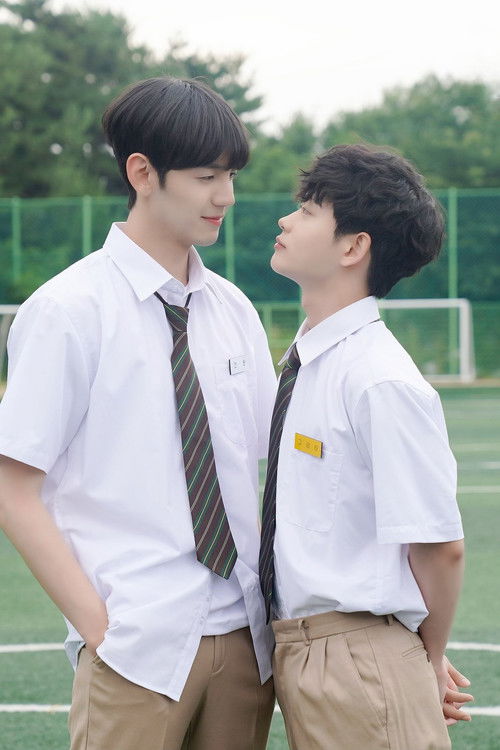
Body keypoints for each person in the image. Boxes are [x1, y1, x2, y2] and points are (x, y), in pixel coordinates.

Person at [0, 77, 277, 750]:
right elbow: (12, 486)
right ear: (142, 173)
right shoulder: (67, 311)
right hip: (137, 645)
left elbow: (271, 469)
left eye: (231, 176)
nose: (226, 196)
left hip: (246, 641)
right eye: (207, 176)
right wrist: (103, 629)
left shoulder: (233, 309)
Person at [259, 144, 473, 750]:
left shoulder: (379, 379)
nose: (286, 219)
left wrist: (427, 659)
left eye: (308, 211)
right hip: (306, 650)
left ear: (353, 247)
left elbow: (440, 545)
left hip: (357, 654)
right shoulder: (310, 360)